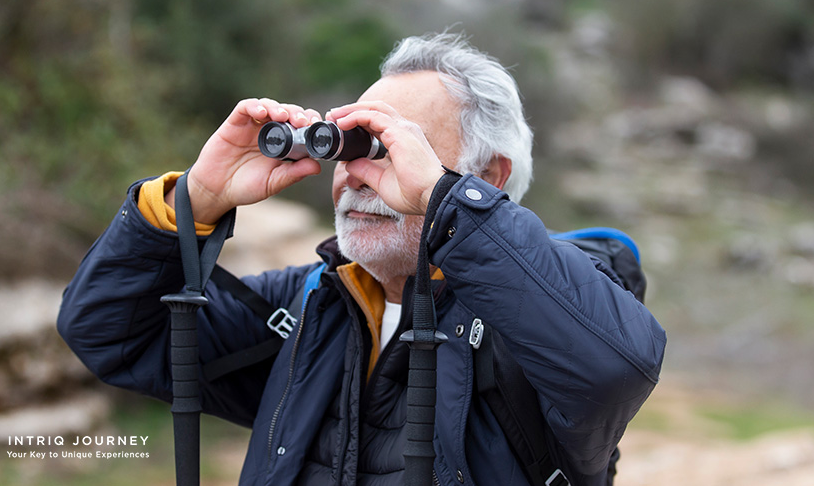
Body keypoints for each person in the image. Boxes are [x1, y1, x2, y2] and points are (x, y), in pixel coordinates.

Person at [58, 32, 666, 485]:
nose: (358, 176)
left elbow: (613, 368)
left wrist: (446, 205)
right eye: (350, 148)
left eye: (394, 150)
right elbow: (110, 332)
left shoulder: (543, 316)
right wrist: (193, 200)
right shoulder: (310, 305)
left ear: (488, 178)